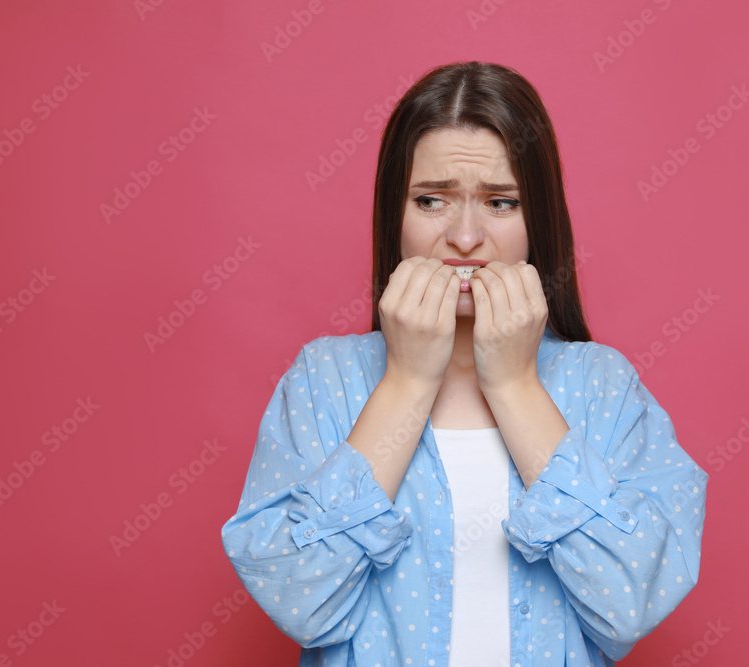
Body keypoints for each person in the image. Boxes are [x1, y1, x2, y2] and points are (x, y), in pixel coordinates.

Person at [221, 61, 709, 666]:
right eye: (432, 200)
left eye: (501, 203)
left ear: (539, 222)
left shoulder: (603, 386)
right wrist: (406, 381)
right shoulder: (324, 380)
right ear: (393, 216)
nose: (466, 237)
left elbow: (633, 599)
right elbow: (296, 597)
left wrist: (515, 384)